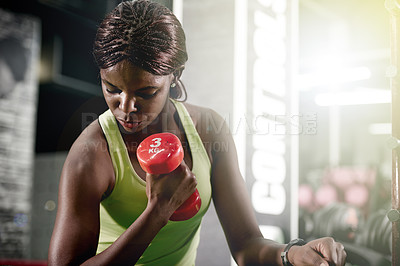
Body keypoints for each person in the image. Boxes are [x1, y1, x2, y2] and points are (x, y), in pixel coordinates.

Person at [48, 1, 347, 265]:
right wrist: (158, 211)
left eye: (147, 92)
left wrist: (290, 254)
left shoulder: (208, 131)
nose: (125, 107)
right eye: (111, 89)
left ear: (174, 76)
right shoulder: (90, 153)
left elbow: (246, 246)